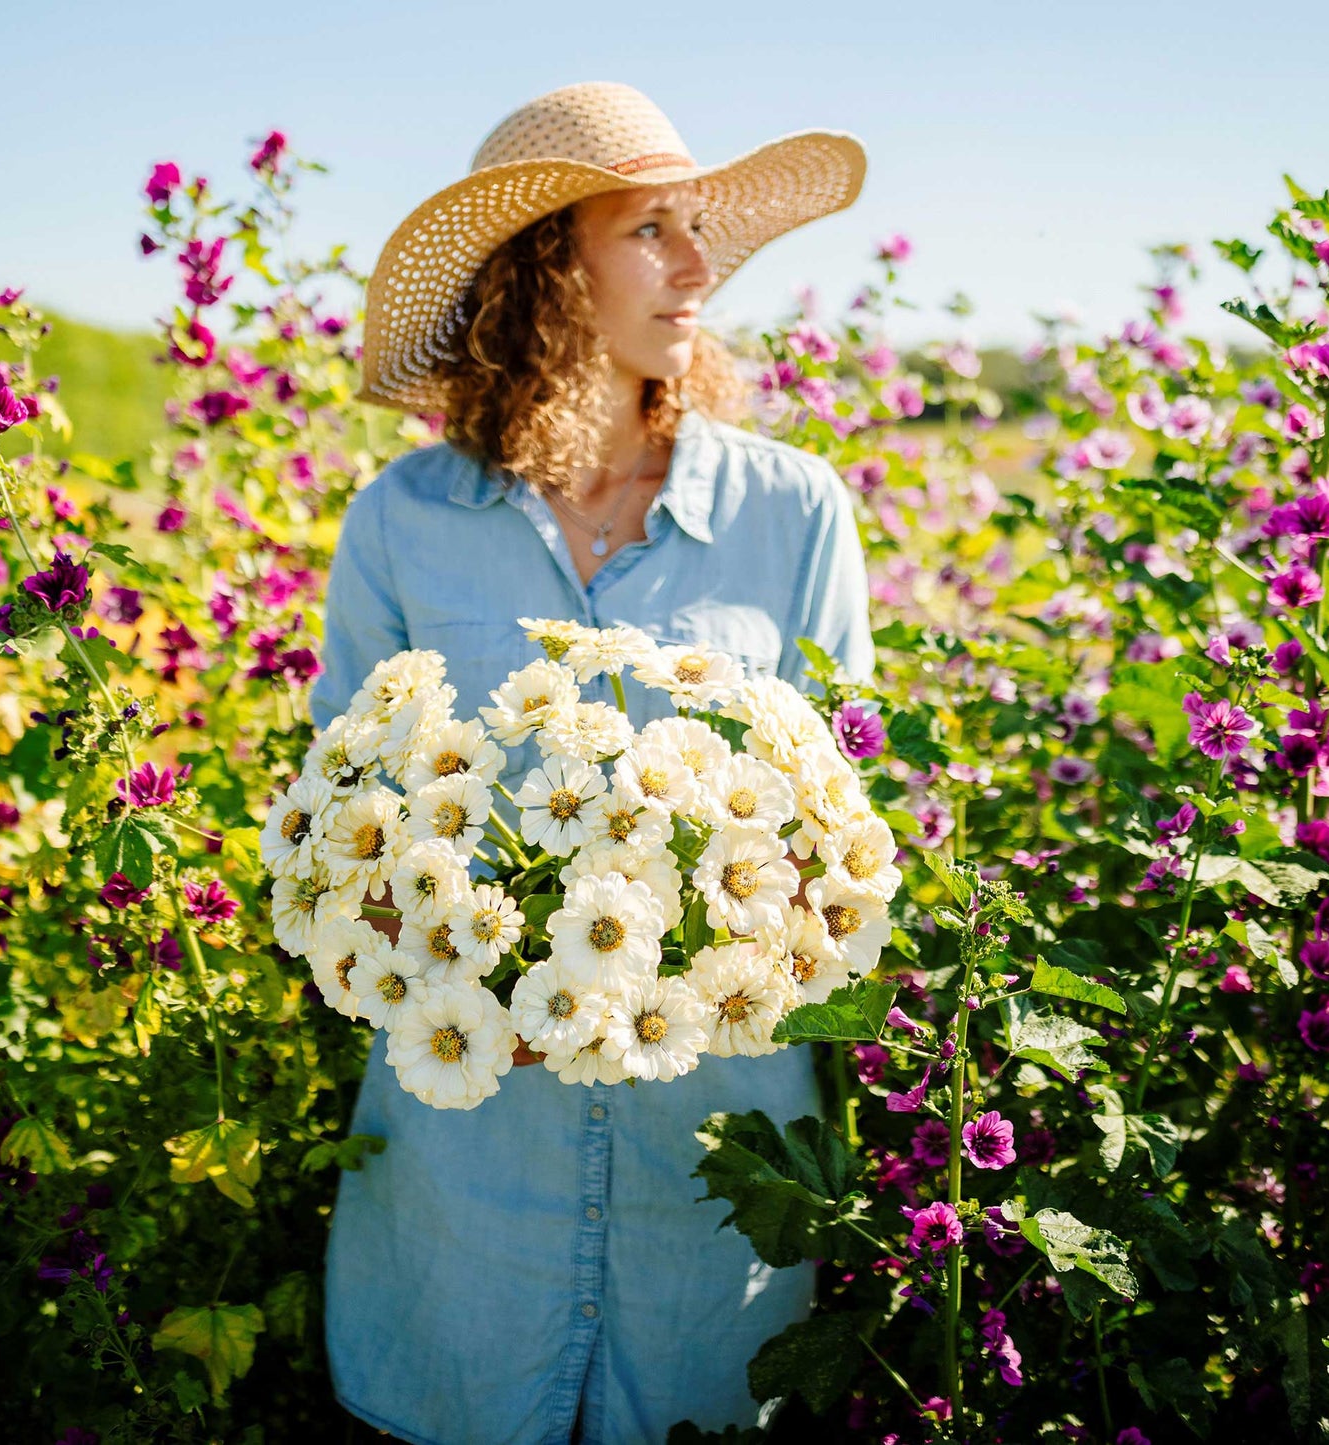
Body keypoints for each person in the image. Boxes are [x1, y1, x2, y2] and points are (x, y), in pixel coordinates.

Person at [309, 81, 875, 1445]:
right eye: (650, 231)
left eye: (700, 229)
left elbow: (849, 814)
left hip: (713, 1161)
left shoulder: (791, 512)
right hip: (469, 1167)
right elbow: (340, 821)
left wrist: (720, 921)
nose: (697, 267)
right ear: (545, 271)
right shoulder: (404, 522)